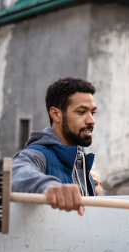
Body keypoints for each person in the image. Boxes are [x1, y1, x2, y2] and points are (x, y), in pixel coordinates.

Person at [11, 77, 97, 215]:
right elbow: (14, 172)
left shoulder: (81, 161)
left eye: (93, 112)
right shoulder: (39, 154)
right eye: (81, 112)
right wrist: (49, 186)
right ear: (56, 114)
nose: (91, 121)